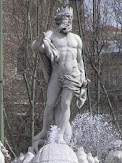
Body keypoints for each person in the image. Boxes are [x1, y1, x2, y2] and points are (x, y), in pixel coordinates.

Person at [31, 5, 87, 150]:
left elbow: (80, 61)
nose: (67, 23)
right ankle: (44, 130)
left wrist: (83, 81)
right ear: (58, 21)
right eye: (64, 19)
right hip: (57, 74)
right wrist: (39, 41)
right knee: (49, 104)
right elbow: (37, 47)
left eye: (69, 20)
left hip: (73, 76)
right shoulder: (51, 34)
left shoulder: (76, 39)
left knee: (65, 104)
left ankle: (61, 135)